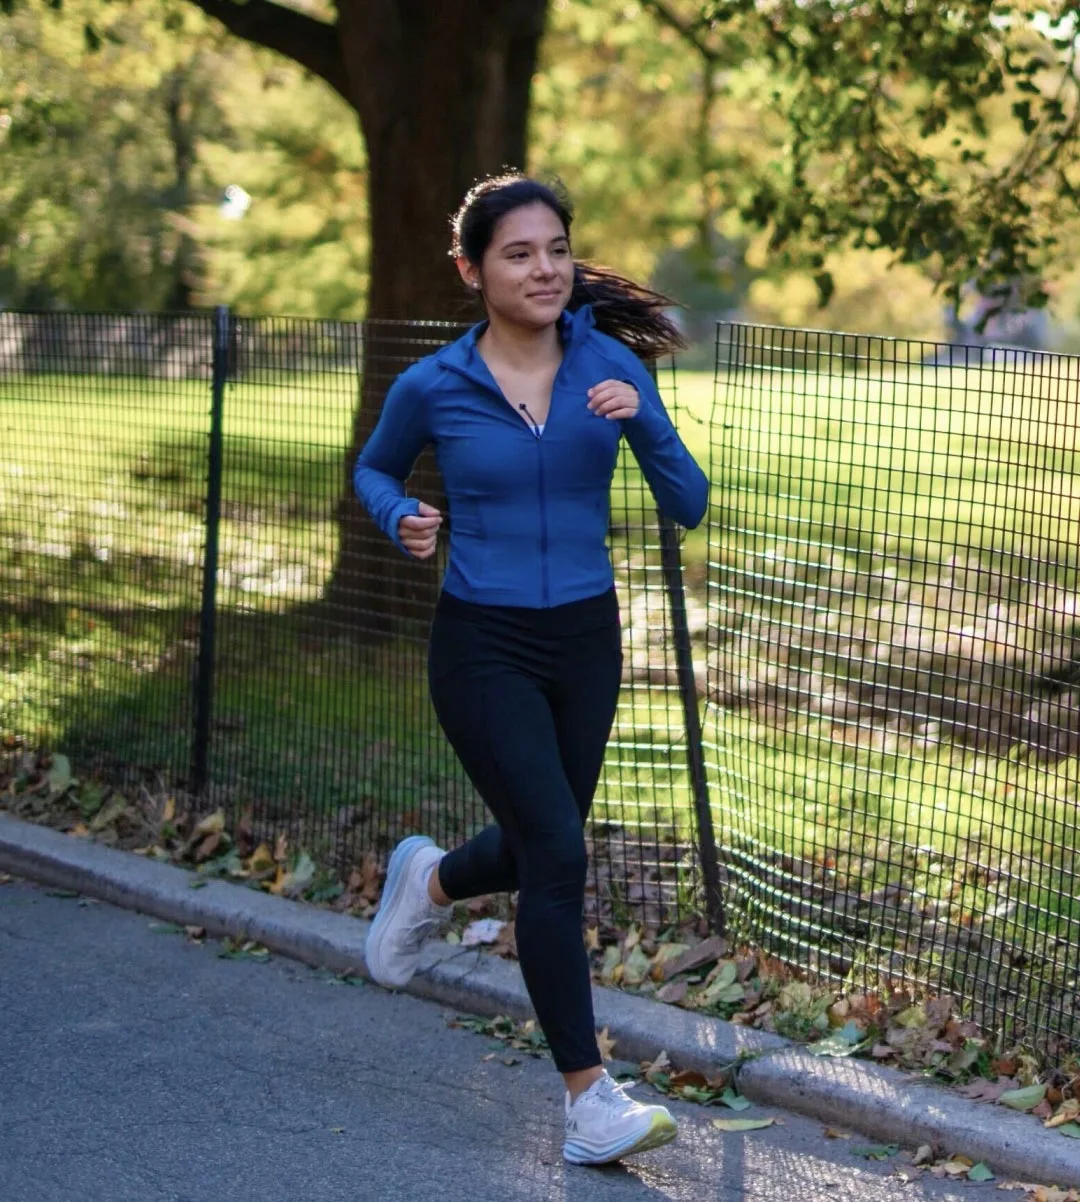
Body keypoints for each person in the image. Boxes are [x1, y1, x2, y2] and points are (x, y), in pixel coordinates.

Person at [354, 174, 709, 1166]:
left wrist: (642, 416)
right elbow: (374, 468)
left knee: (536, 845)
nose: (545, 268)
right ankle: (590, 1101)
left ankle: (429, 881)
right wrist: (400, 514)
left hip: (587, 643)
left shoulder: (607, 362)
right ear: (472, 270)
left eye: (556, 248)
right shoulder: (434, 383)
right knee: (556, 852)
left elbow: (688, 501)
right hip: (484, 645)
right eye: (518, 253)